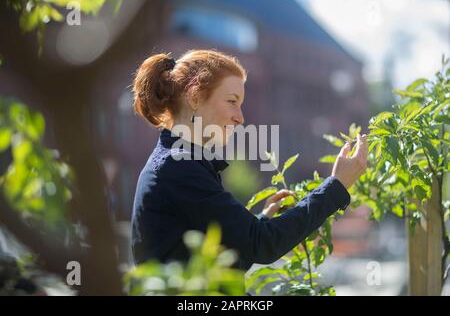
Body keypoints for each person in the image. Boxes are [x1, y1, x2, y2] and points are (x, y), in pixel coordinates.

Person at [131, 49, 368, 271]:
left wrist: (259, 222)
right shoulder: (178, 167)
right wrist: (335, 186)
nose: (240, 118)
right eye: (232, 101)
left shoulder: (182, 164)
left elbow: (229, 261)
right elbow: (262, 244)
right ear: (194, 96)